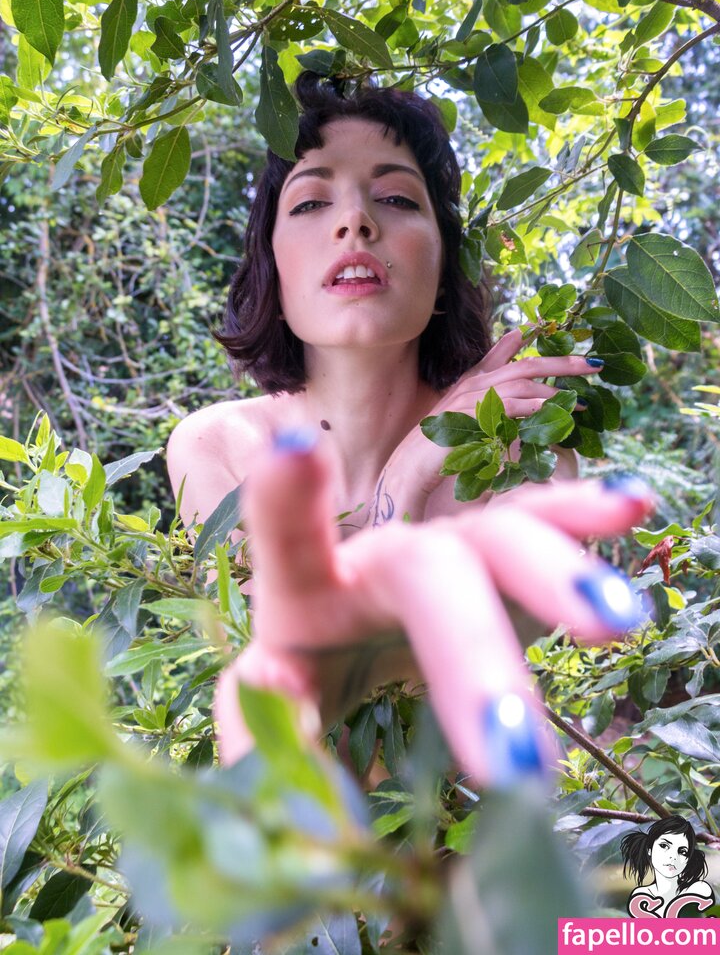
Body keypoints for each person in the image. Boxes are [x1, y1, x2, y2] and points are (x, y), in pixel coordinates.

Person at [166, 73, 653, 784]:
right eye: (310, 202)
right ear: (271, 262)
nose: (355, 222)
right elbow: (316, 738)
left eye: (396, 198)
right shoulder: (218, 448)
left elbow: (438, 748)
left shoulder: (519, 451)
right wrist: (406, 477)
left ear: (443, 259)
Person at [621, 817, 714, 918]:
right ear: (649, 849)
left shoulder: (700, 890)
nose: (673, 857)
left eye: (682, 851)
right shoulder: (637, 896)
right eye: (664, 846)